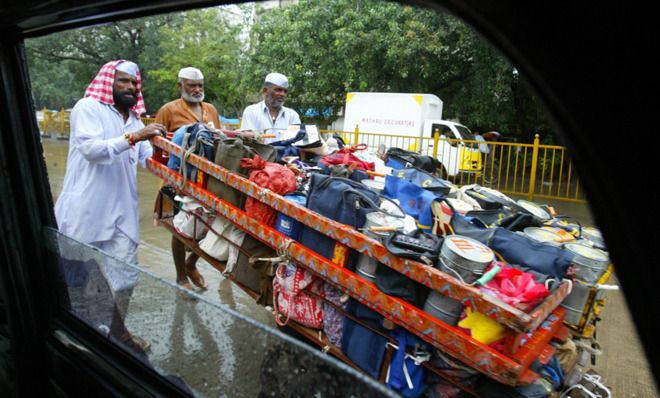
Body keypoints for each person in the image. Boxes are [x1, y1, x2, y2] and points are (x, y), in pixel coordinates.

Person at [54, 60, 165, 348]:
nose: (129, 87)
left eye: (133, 83)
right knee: (75, 276)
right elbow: (91, 150)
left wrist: (181, 167)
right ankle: (76, 332)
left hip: (121, 213)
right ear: (108, 82)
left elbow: (148, 159)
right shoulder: (87, 107)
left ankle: (118, 332)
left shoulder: (135, 119)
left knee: (127, 275)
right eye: (123, 81)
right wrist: (136, 136)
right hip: (86, 210)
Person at [154, 67, 220, 291]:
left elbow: (217, 142)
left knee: (207, 223)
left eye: (200, 85)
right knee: (179, 229)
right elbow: (156, 145)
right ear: (180, 86)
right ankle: (181, 277)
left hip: (205, 179)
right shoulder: (168, 110)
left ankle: (191, 263)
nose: (197, 89)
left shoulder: (210, 109)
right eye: (192, 85)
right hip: (178, 180)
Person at [240, 72, 301, 144]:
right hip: (258, 155)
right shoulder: (251, 112)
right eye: (278, 90)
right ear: (265, 91)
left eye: (285, 91)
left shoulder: (292, 116)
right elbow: (249, 141)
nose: (282, 94)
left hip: (287, 155)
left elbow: (296, 143)